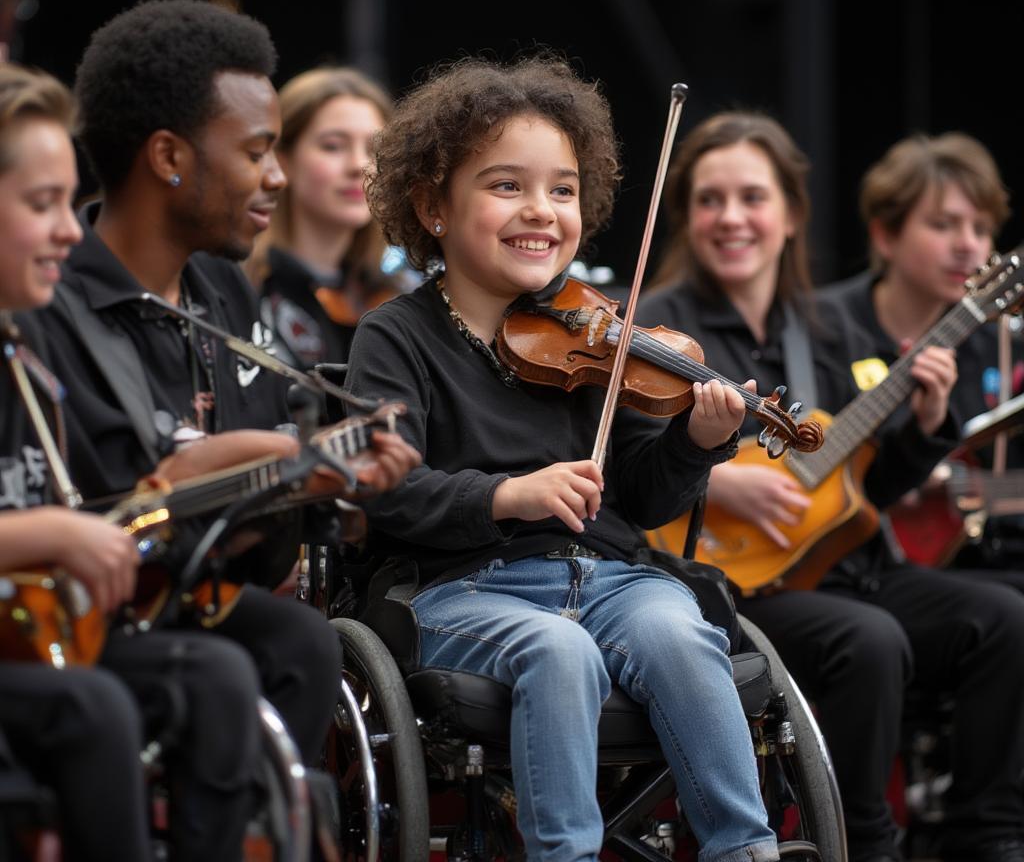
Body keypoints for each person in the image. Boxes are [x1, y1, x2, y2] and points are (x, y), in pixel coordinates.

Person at [344, 57, 781, 862]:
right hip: (460, 589)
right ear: (433, 205)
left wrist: (697, 443)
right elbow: (387, 489)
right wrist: (505, 496)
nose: (541, 211)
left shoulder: (600, 338)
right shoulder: (395, 336)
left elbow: (644, 500)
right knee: (558, 649)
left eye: (564, 190)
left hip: (611, 578)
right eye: (507, 186)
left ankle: (744, 850)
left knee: (681, 634)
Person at [32, 0, 420, 768]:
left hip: (197, 602)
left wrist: (321, 482)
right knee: (221, 672)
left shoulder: (222, 289)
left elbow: (261, 529)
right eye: (257, 151)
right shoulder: (49, 301)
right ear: (171, 157)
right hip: (76, 626)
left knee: (302, 641)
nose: (274, 176)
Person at [637, 110, 1024, 862]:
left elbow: (864, 485)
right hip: (728, 585)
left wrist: (926, 422)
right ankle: (862, 845)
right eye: (711, 200)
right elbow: (634, 469)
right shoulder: (662, 327)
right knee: (869, 641)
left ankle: (990, 835)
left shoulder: (826, 326)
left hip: (850, 567)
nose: (732, 218)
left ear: (788, 217)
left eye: (753, 198)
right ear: (686, 215)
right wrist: (716, 484)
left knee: (1006, 619)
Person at [0, 61, 265, 861]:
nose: (69, 231)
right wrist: (53, 533)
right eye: (41, 204)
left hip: (24, 635)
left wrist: (174, 500)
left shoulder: (23, 347)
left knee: (215, 676)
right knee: (92, 710)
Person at [820, 132, 1024, 577]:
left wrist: (959, 484)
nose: (968, 244)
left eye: (981, 228)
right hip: (852, 565)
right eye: (943, 224)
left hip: (969, 562)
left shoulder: (1000, 342)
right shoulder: (821, 327)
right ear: (885, 235)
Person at [247, 66, 405, 371]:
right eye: (333, 146)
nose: (359, 166)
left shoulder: (400, 291)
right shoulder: (244, 286)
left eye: (374, 150)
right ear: (283, 160)